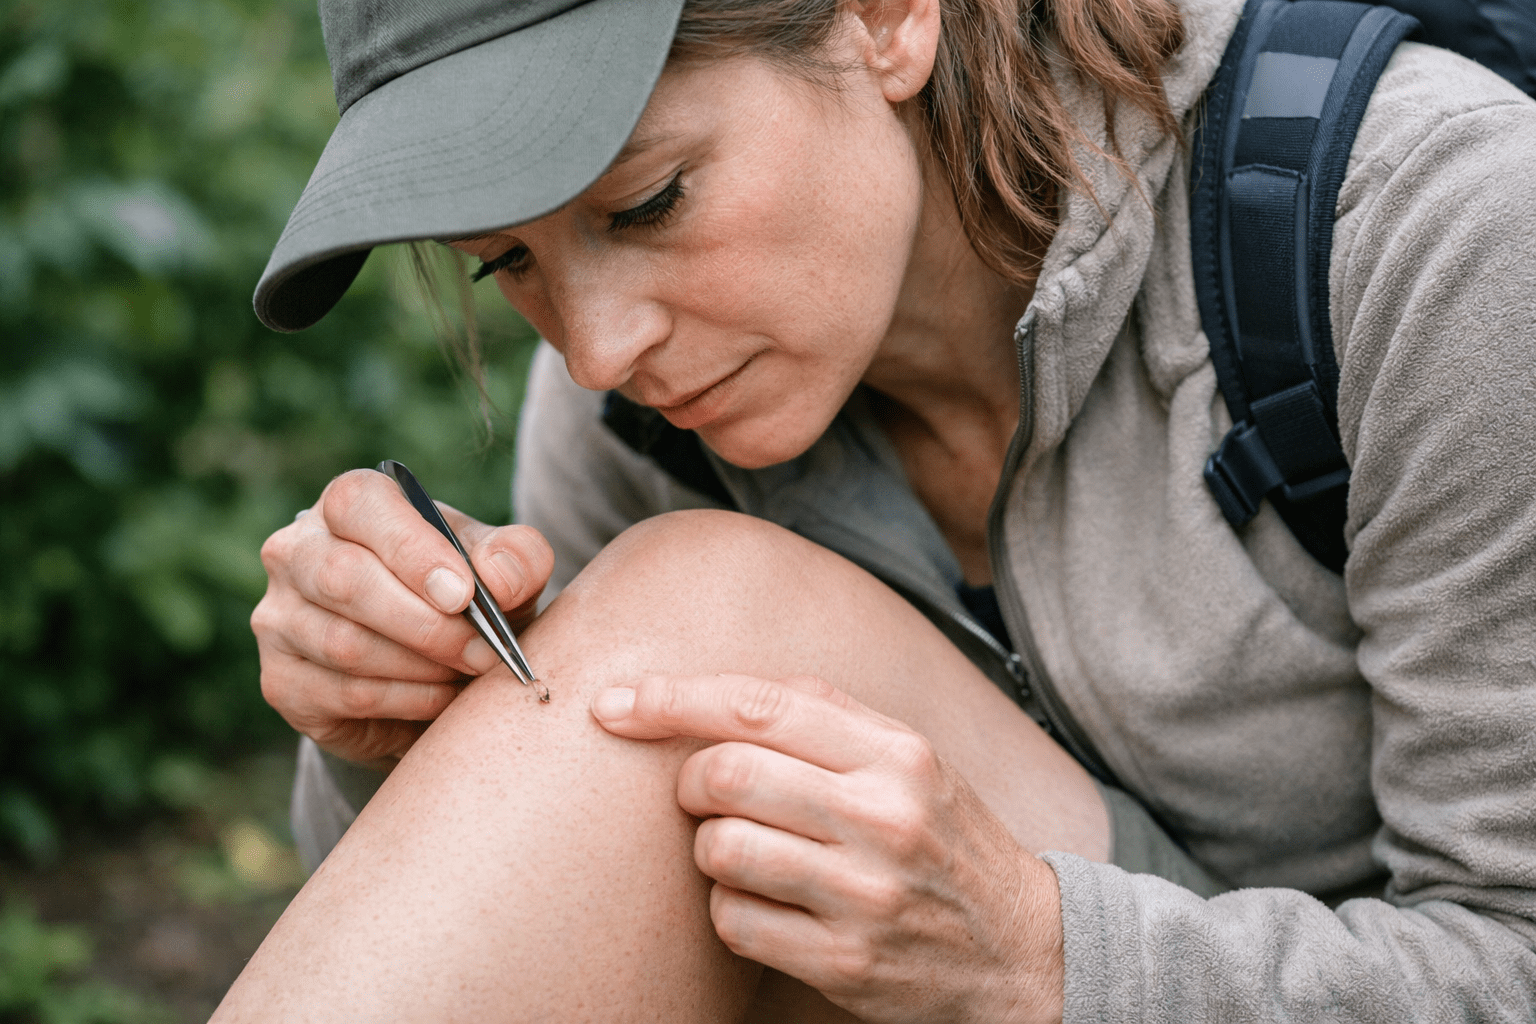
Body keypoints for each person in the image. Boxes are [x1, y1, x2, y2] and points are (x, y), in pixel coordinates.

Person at [218, 0, 1536, 1019]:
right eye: (507, 260)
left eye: (649, 203)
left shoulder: (1427, 226)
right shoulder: (636, 418)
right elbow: (507, 936)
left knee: (696, 616)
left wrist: (1041, 960)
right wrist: (393, 722)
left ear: (888, 18)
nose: (600, 350)